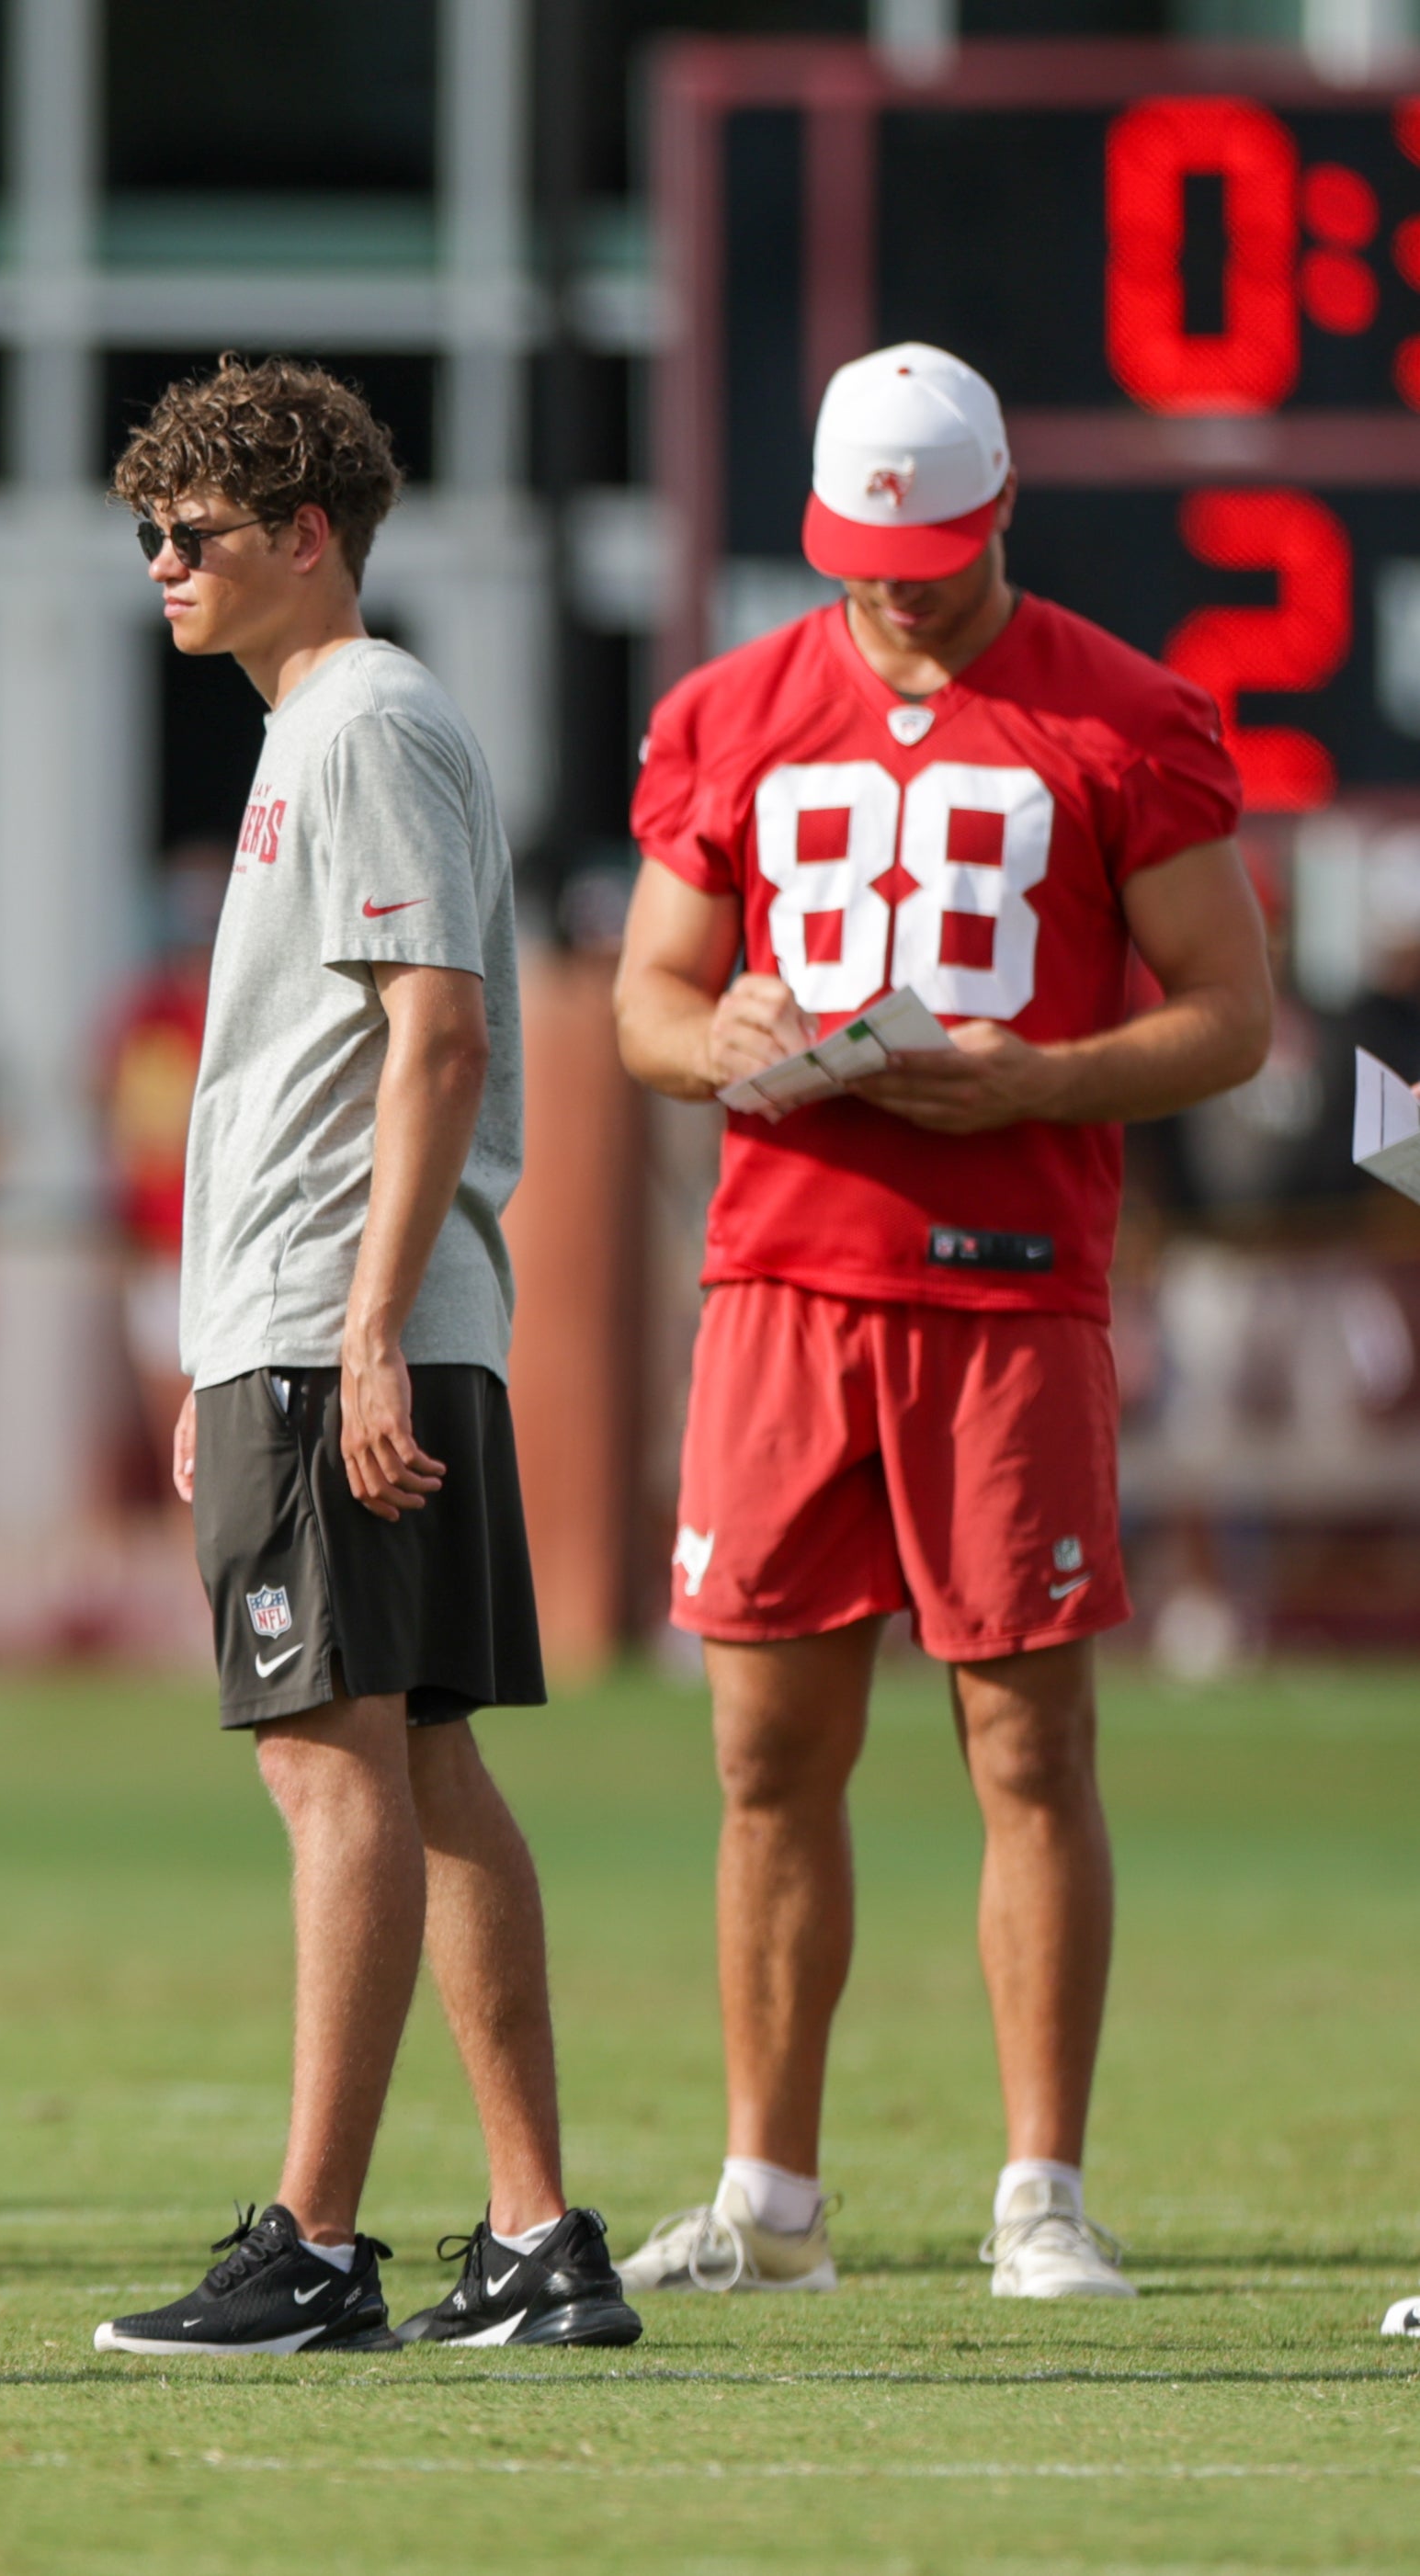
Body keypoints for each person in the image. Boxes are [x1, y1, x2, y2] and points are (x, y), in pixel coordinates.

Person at [609, 343, 1269, 2301]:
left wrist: (1038, 1079)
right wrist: (710, 1035)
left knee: (1026, 1744)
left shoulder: (1121, 713)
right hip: (781, 1282)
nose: (896, 584)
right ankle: (766, 2198)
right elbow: (649, 997)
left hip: (1001, 1296)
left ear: (997, 514)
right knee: (757, 1756)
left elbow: (1224, 1017)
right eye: (862, 550)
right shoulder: (729, 710)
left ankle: (1036, 2188)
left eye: (931, 547)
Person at [93, 355, 638, 2359]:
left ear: (302, 534)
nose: (159, 566)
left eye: (191, 536)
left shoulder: (363, 718)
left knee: (332, 1775)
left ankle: (314, 2246)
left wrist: (362, 1327)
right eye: (145, 536)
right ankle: (530, 2238)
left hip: (348, 1329)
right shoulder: (315, 730)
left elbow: (441, 1033)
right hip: (313, 1322)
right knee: (412, 1767)